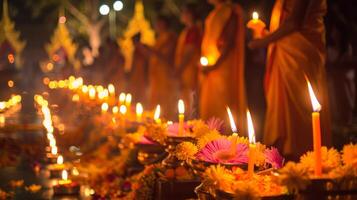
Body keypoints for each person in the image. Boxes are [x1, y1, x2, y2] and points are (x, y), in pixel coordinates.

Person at [248, 0, 331, 159]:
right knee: (282, 106)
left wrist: (263, 42)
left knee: (302, 105)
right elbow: (286, 23)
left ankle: (305, 159)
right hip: (286, 50)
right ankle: (283, 158)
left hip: (299, 52)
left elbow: (294, 22)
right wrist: (265, 33)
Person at [200, 0, 246, 132]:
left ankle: (226, 144)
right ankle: (208, 142)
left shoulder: (229, 11)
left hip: (223, 68)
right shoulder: (214, 13)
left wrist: (215, 65)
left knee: (223, 104)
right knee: (209, 105)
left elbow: (229, 41)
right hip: (211, 68)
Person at [137, 15, 177, 119]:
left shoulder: (170, 37)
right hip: (155, 75)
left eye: (158, 23)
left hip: (165, 74)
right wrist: (142, 48)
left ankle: (167, 125)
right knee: (155, 99)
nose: (156, 26)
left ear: (164, 23)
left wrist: (151, 49)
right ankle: (156, 125)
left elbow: (165, 56)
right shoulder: (159, 39)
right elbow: (151, 56)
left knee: (165, 101)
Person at [175, 4, 202, 118]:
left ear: (190, 15)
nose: (182, 15)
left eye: (184, 12)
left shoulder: (193, 31)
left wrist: (179, 68)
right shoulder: (187, 31)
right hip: (185, 70)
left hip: (189, 70)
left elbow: (189, 51)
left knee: (191, 100)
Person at [129, 33, 149, 105]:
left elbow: (148, 59)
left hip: (143, 76)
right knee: (135, 94)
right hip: (136, 76)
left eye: (134, 41)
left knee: (143, 95)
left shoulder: (144, 48)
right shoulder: (135, 50)